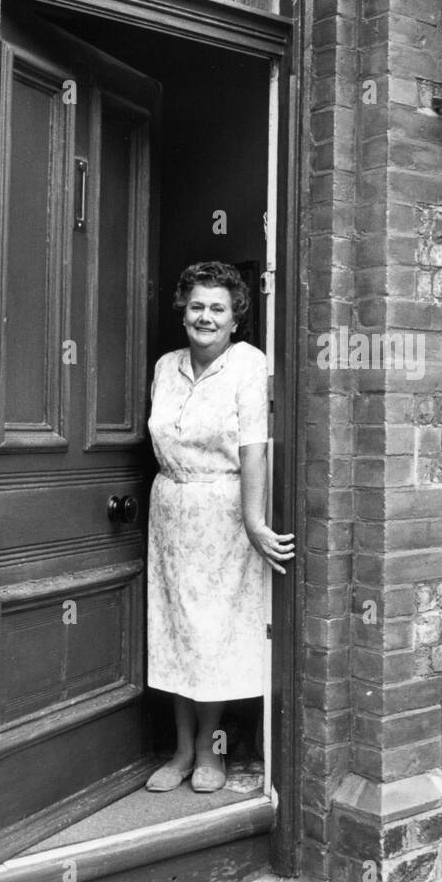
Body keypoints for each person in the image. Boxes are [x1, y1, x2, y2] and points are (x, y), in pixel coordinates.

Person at [145, 261, 294, 793]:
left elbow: (255, 448)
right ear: (183, 312)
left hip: (222, 513)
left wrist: (254, 521)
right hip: (169, 510)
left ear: (235, 319)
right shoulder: (166, 366)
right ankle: (182, 750)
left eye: (218, 308)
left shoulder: (248, 365)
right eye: (196, 307)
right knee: (174, 632)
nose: (205, 317)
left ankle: (212, 750)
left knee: (212, 636)